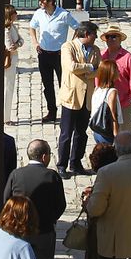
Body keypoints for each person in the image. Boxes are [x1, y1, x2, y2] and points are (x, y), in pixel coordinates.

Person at [3, 139, 65, 259]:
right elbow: (60, 205)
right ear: (44, 156)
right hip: (44, 230)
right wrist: (50, 219)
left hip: (20, 229)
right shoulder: (52, 176)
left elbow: (6, 200)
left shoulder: (16, 174)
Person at [80, 143, 118, 259]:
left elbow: (95, 209)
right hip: (117, 231)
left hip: (98, 232)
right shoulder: (118, 175)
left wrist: (87, 201)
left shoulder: (103, 177)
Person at [56, 21, 100, 177]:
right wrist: (88, 68)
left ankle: (76, 163)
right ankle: (61, 164)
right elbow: (71, 67)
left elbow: (98, 70)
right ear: (87, 34)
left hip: (87, 97)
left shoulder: (95, 50)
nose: (96, 38)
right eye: (95, 34)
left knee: (81, 133)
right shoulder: (68, 47)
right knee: (66, 133)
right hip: (71, 97)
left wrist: (88, 70)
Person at [28, 0, 77, 124]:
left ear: (51, 1)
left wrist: (70, 46)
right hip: (43, 54)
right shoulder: (39, 14)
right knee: (47, 85)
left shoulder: (64, 15)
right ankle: (52, 111)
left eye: (43, 1)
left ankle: (67, 112)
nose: (40, 3)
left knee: (64, 84)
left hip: (59, 55)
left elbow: (78, 28)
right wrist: (35, 42)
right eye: (40, 0)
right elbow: (32, 27)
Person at [99, 25, 131, 133]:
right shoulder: (101, 55)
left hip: (123, 101)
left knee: (124, 131)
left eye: (114, 37)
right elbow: (97, 76)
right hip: (104, 101)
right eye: (108, 37)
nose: (110, 39)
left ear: (120, 39)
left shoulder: (127, 57)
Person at [89, 59, 119, 150]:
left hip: (97, 131)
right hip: (107, 132)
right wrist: (116, 135)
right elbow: (113, 116)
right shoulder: (112, 92)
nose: (118, 72)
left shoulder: (97, 89)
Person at [2, 5, 24, 124]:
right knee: (7, 88)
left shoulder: (12, 26)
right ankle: (5, 118)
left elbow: (21, 40)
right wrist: (17, 45)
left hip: (13, 60)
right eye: (14, 13)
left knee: (9, 88)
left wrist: (17, 44)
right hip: (9, 61)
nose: (16, 14)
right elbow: (10, 47)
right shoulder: (7, 30)